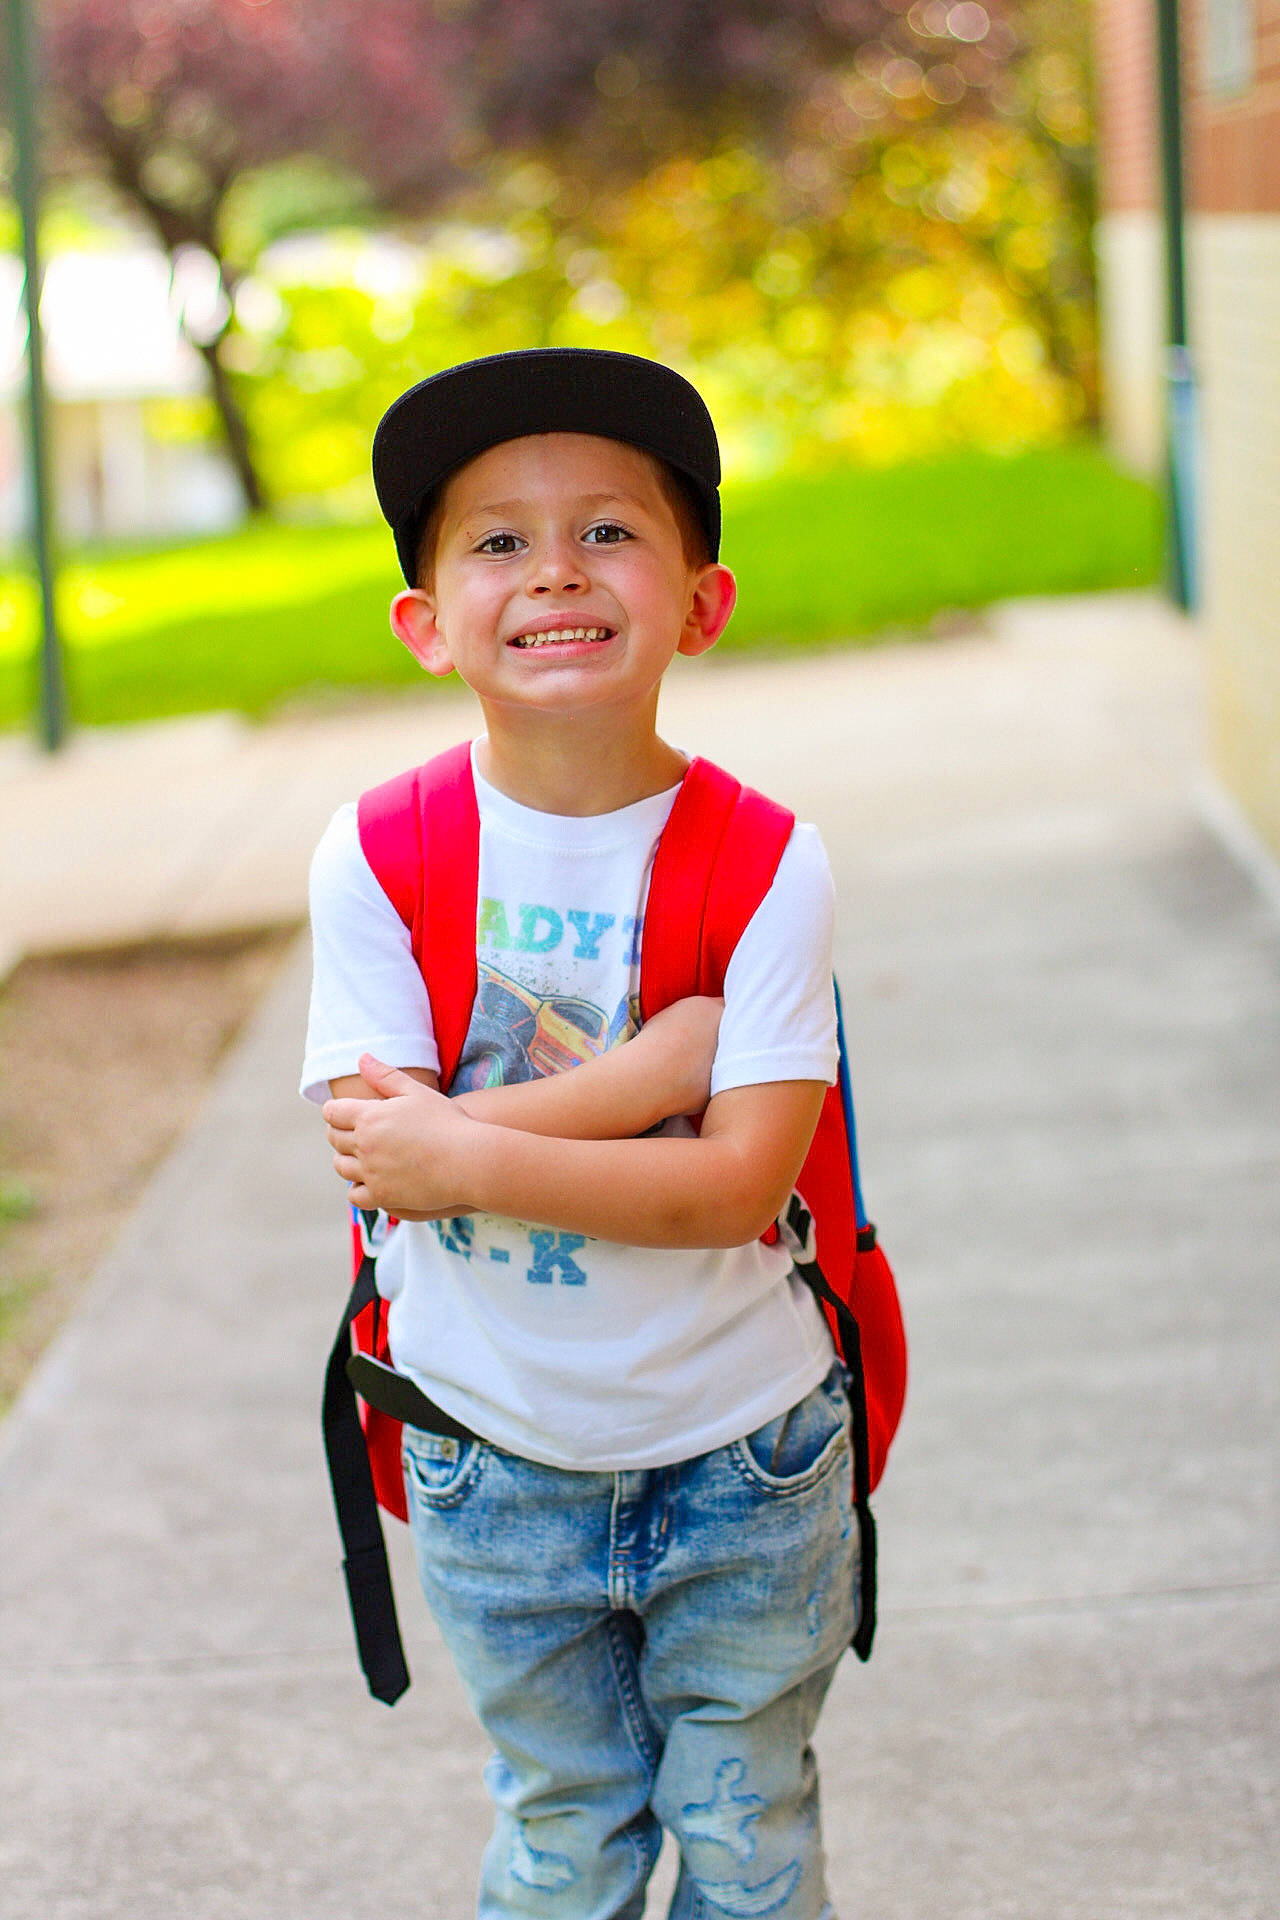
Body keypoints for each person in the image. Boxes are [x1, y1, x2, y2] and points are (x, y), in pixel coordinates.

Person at [302, 348, 857, 1920]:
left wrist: (462, 1154)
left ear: (703, 601)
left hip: (745, 1458)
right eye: (496, 541)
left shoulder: (766, 863)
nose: (554, 567)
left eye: (608, 530)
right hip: (495, 1450)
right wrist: (637, 1079)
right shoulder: (382, 850)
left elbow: (738, 1185)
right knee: (561, 1841)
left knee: (753, 1851)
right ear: (425, 625)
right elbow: (375, 1155)